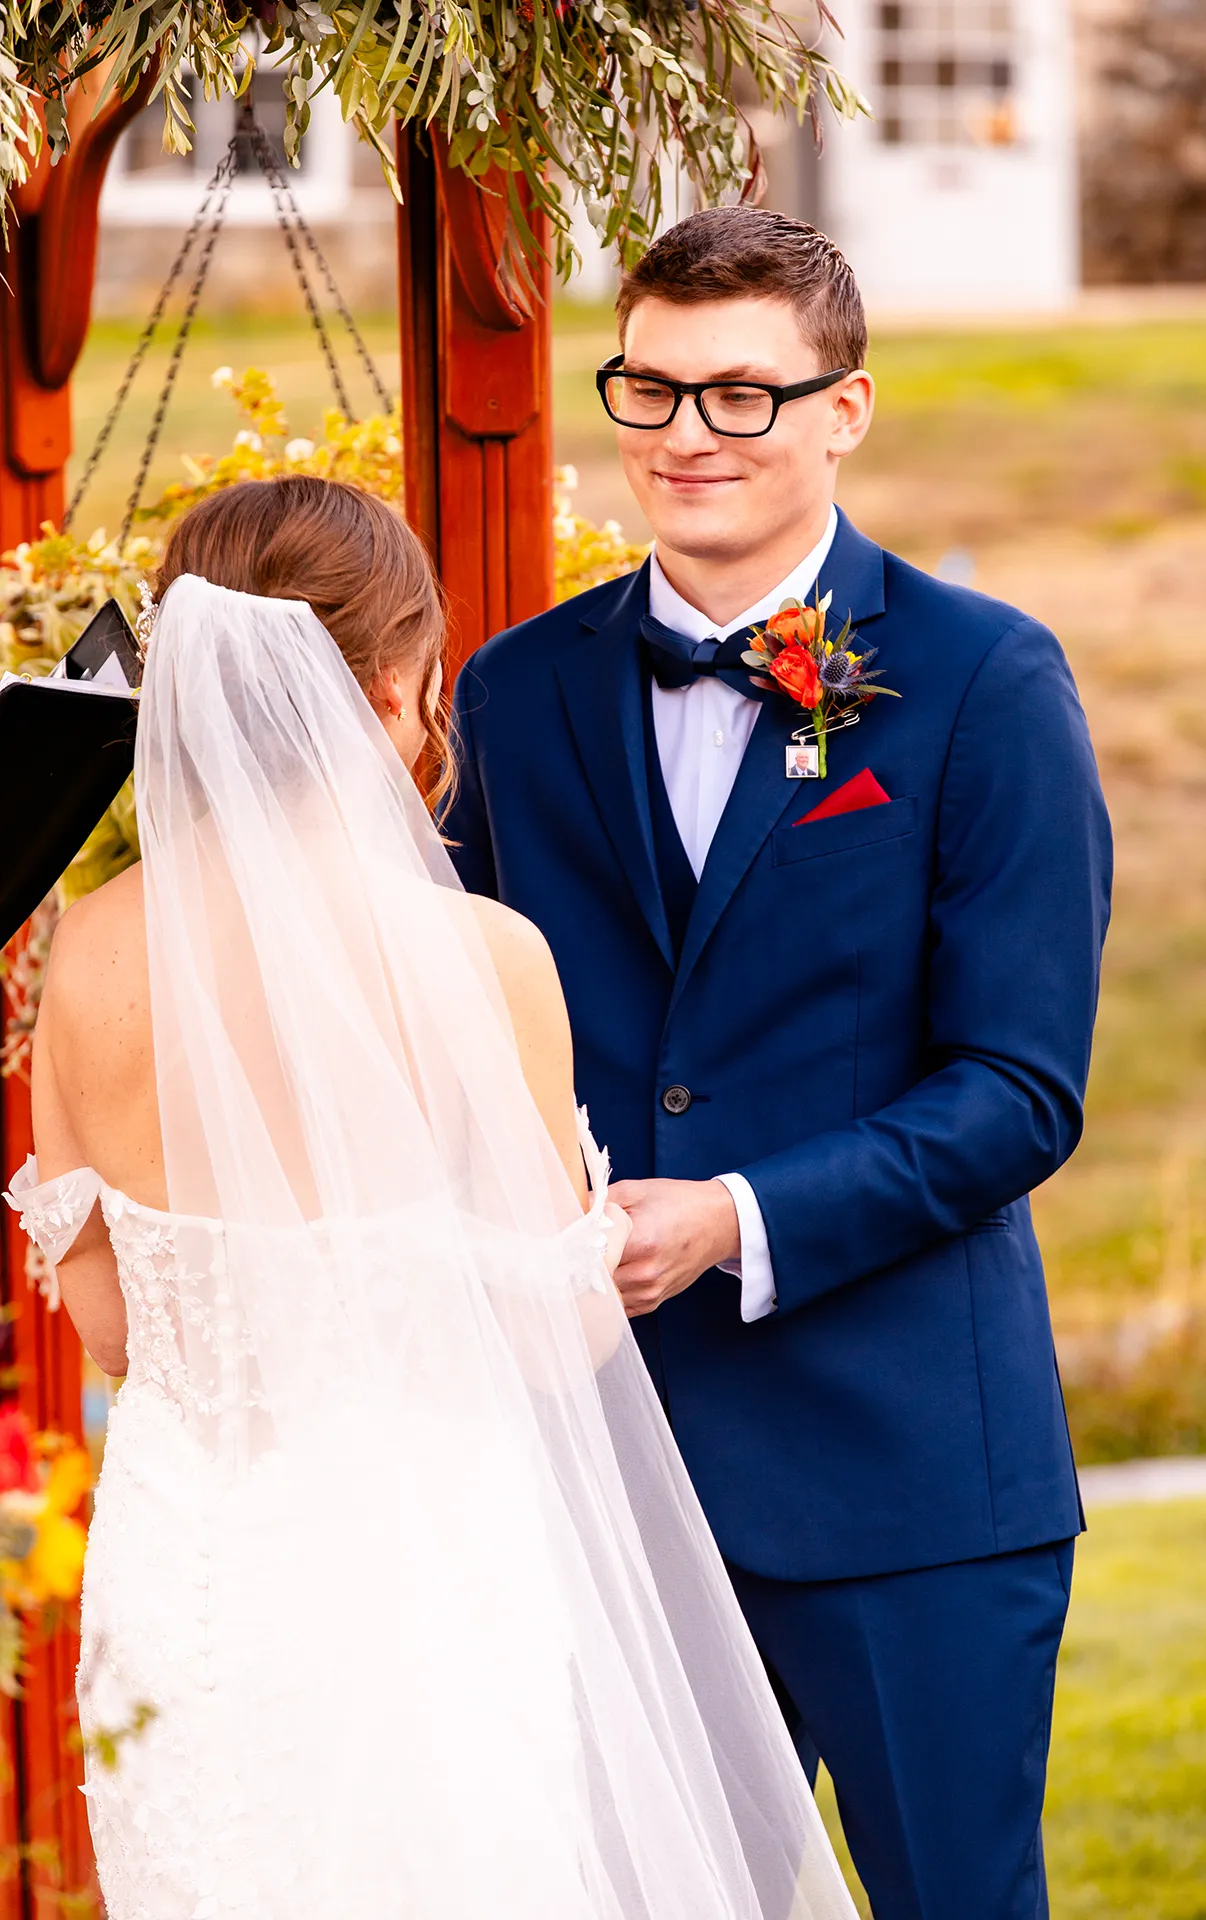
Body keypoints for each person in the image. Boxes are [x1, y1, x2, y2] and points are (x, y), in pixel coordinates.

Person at [4, 476, 860, 1920]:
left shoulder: (78, 956)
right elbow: (553, 1331)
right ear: (399, 684)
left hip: (192, 1580)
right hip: (422, 1561)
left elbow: (110, 1328)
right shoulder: (481, 956)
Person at [445, 207, 1114, 1919]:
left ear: (845, 409)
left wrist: (737, 1216)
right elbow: (446, 1006)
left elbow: (1021, 1087)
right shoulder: (519, 692)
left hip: (914, 1483)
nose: (687, 436)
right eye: (652, 390)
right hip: (616, 1476)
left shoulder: (981, 682)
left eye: (742, 394)